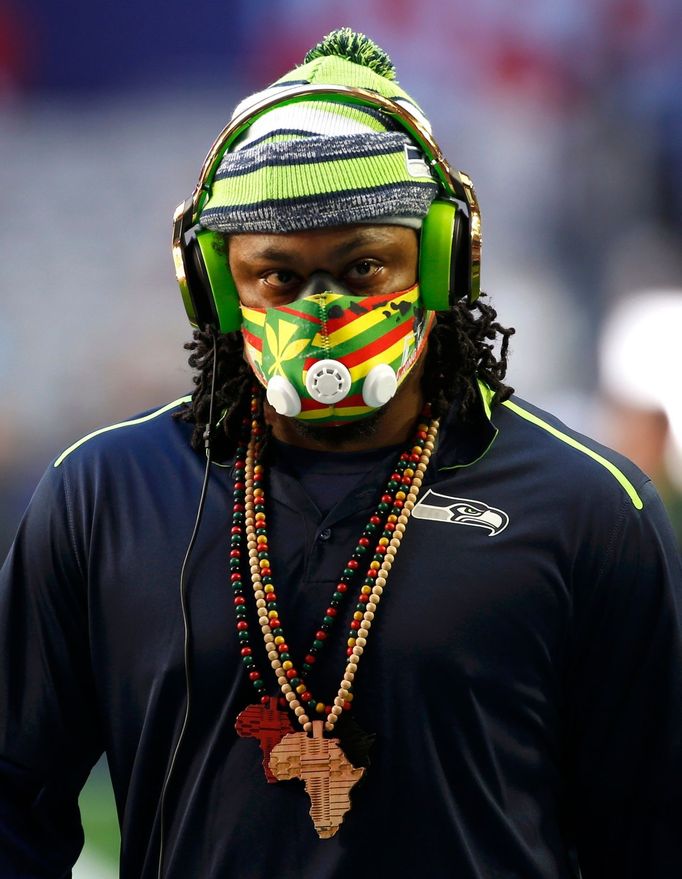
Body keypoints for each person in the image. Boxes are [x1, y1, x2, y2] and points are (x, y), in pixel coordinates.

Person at [1, 27, 681, 879]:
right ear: (214, 286)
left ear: (441, 264)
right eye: (278, 276)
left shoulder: (590, 505)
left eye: (363, 268)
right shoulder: (103, 493)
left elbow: (653, 835)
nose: (321, 309)